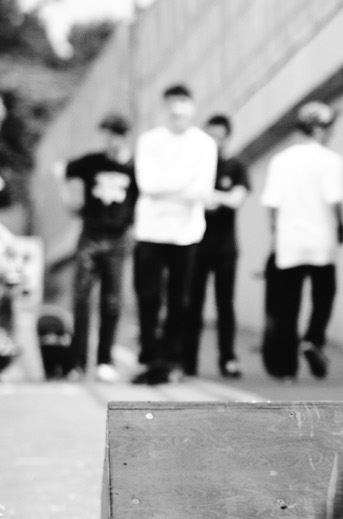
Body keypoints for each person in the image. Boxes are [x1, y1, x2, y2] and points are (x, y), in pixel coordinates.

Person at [132, 84, 217, 386]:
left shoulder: (204, 144)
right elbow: (148, 184)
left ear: (192, 106)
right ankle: (150, 359)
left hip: (187, 233)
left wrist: (168, 186)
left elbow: (202, 190)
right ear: (163, 107)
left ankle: (172, 360)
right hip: (150, 231)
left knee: (181, 301)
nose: (177, 109)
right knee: (149, 299)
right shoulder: (149, 141)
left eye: (182, 102)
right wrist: (184, 185)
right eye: (171, 103)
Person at [261, 102, 343, 381]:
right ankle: (312, 339)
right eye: (329, 127)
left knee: (287, 307)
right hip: (321, 241)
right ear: (318, 129)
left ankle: (286, 369)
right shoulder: (331, 160)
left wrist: (276, 233)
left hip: (289, 243)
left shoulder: (281, 160)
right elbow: (335, 200)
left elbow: (272, 203)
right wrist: (341, 225)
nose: (332, 133)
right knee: (324, 296)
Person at [61, 111, 136, 381]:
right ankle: (77, 362)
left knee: (112, 302)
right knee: (81, 298)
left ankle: (105, 360)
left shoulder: (135, 168)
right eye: (105, 136)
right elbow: (64, 170)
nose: (107, 142)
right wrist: (70, 198)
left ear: (124, 137)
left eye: (112, 137)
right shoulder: (92, 162)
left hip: (118, 239)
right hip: (90, 236)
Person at [183, 113, 249, 379]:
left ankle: (228, 359)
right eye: (210, 136)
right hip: (196, 247)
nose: (214, 141)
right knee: (192, 305)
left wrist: (212, 196)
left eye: (219, 137)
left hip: (225, 249)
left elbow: (237, 199)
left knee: (225, 305)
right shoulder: (195, 166)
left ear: (227, 138)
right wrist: (206, 197)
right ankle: (188, 361)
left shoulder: (236, 166)